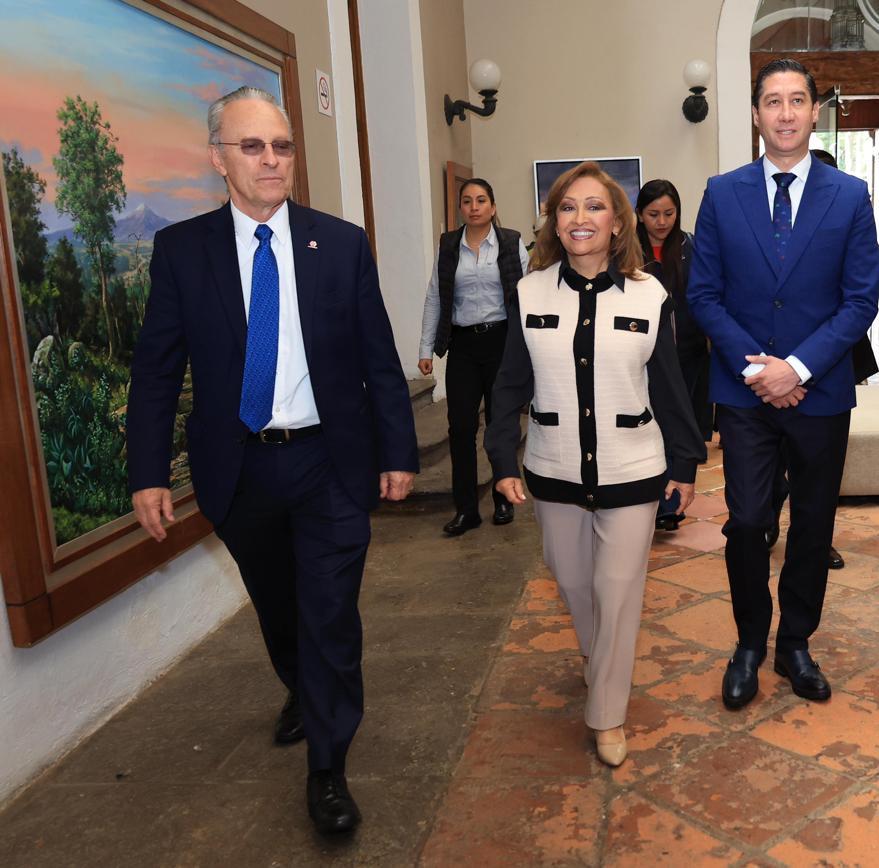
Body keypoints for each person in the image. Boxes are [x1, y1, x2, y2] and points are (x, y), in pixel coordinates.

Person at [126, 86, 417, 834]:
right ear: (217, 158)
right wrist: (147, 473)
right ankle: (300, 683)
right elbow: (156, 371)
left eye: (282, 146)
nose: (271, 160)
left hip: (329, 463)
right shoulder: (182, 252)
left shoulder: (340, 244)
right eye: (252, 146)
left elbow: (378, 358)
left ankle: (328, 768)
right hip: (240, 470)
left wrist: (398, 450)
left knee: (330, 614)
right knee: (280, 607)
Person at [484, 162, 704, 767]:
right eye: (567, 207)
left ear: (617, 224)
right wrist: (502, 458)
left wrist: (685, 463)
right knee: (575, 582)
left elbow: (670, 387)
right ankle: (598, 654)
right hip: (553, 469)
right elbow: (509, 384)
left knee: (618, 591)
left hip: (633, 469)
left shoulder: (650, 295)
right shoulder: (529, 293)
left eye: (594, 207)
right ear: (555, 222)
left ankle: (607, 713)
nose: (580, 218)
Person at [687, 59, 879, 711]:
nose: (787, 112)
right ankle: (749, 642)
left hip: (819, 393)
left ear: (814, 111)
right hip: (744, 393)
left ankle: (795, 642)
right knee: (747, 522)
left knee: (813, 525)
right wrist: (761, 370)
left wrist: (795, 368)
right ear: (755, 114)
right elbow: (704, 295)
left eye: (798, 100)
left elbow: (860, 300)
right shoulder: (722, 193)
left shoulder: (849, 195)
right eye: (774, 101)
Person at [765, 148, 879, 571]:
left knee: (819, 469)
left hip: (833, 358)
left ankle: (819, 540)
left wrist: (802, 367)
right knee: (772, 462)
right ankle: (768, 519)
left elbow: (870, 274)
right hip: (768, 364)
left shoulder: (849, 207)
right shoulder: (770, 215)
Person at [418, 178, 529, 536]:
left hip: (502, 342)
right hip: (463, 345)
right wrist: (425, 349)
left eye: (481, 200)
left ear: (493, 207)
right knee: (461, 428)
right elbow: (435, 296)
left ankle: (502, 498)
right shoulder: (449, 246)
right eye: (467, 201)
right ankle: (466, 509)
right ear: (460, 208)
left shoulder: (511, 242)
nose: (474, 206)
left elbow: (528, 296)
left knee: (501, 423)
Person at [635, 179, 708, 531]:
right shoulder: (627, 250)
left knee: (681, 423)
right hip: (643, 355)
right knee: (651, 425)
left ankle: (672, 503)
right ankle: (650, 498)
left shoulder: (690, 247)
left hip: (688, 352)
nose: (662, 221)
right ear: (639, 214)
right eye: (653, 214)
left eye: (669, 213)